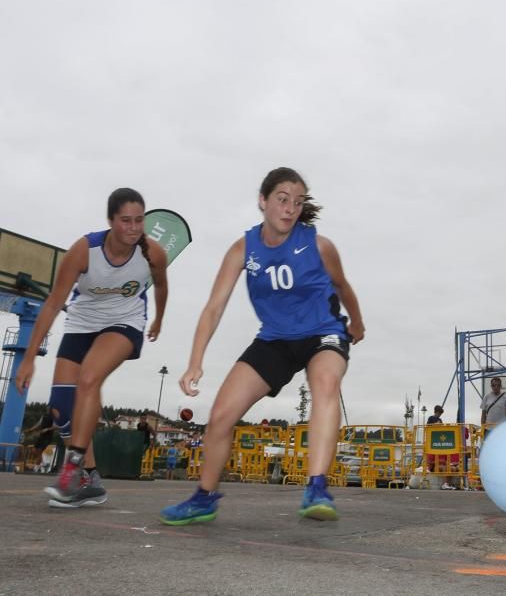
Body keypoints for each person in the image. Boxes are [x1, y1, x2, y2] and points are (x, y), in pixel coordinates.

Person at [159, 167, 364, 525]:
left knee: (326, 385)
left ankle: (317, 488)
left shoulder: (318, 245)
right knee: (221, 416)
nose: (289, 209)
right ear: (263, 201)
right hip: (275, 338)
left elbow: (343, 287)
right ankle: (203, 498)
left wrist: (357, 323)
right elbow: (213, 307)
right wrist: (195, 362)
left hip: (323, 332)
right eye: (282, 200)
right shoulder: (243, 249)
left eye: (297, 203)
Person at [14, 188, 168, 508]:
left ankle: (71, 468)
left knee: (89, 378)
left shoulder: (152, 253)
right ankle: (90, 479)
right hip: (82, 322)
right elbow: (54, 302)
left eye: (139, 220)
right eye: (125, 220)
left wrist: (158, 320)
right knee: (59, 406)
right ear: (111, 221)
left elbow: (162, 287)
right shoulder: (84, 250)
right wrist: (29, 358)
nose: (133, 227)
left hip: (124, 321)